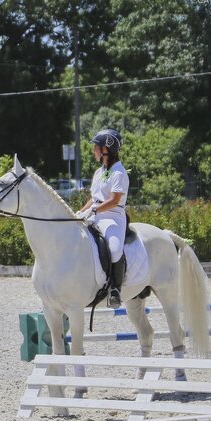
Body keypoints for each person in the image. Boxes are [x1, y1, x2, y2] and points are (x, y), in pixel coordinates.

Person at [76, 129, 129, 308]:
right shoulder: (100, 172)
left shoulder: (119, 173)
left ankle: (115, 289)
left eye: (96, 147)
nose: (94, 151)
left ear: (106, 149)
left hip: (113, 217)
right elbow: (94, 198)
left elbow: (114, 200)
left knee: (114, 249)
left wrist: (94, 210)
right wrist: (79, 213)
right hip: (95, 214)